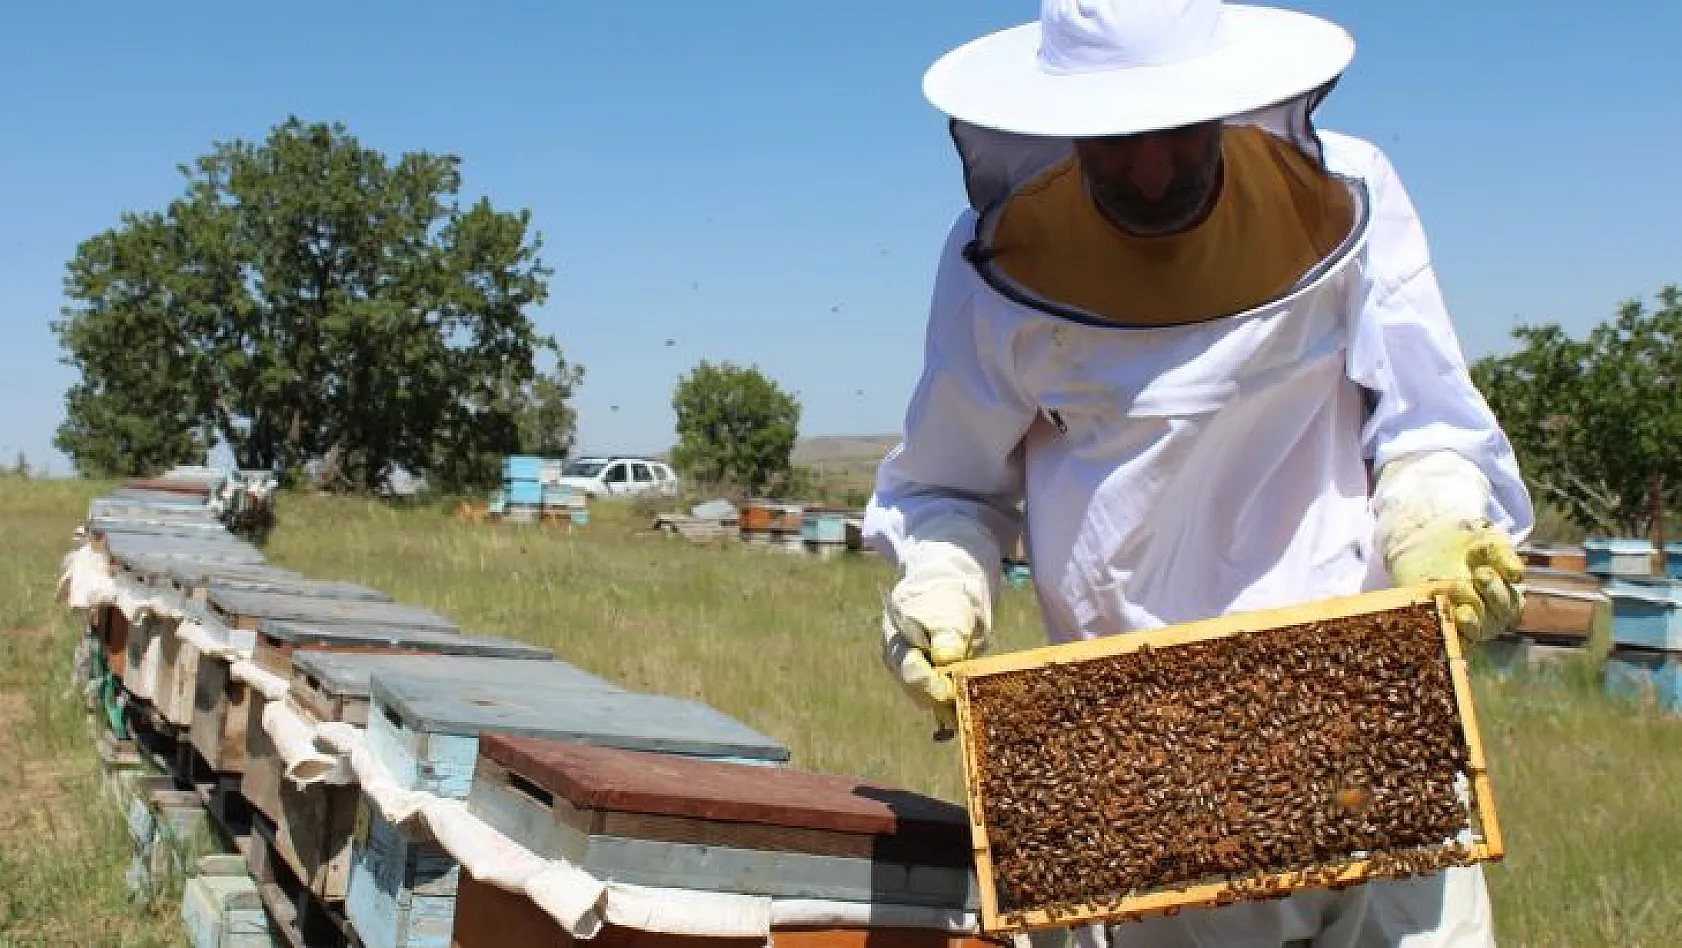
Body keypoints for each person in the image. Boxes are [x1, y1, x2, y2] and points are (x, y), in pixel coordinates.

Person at [861, 1, 1532, 946]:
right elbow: (948, 486)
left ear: (1229, 99)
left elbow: (1427, 423)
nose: (1149, 170)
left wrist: (1437, 520)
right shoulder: (995, 261)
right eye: (1112, 140)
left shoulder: (1349, 192)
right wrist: (940, 580)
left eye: (1177, 130)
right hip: (1135, 765)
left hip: (1366, 730)